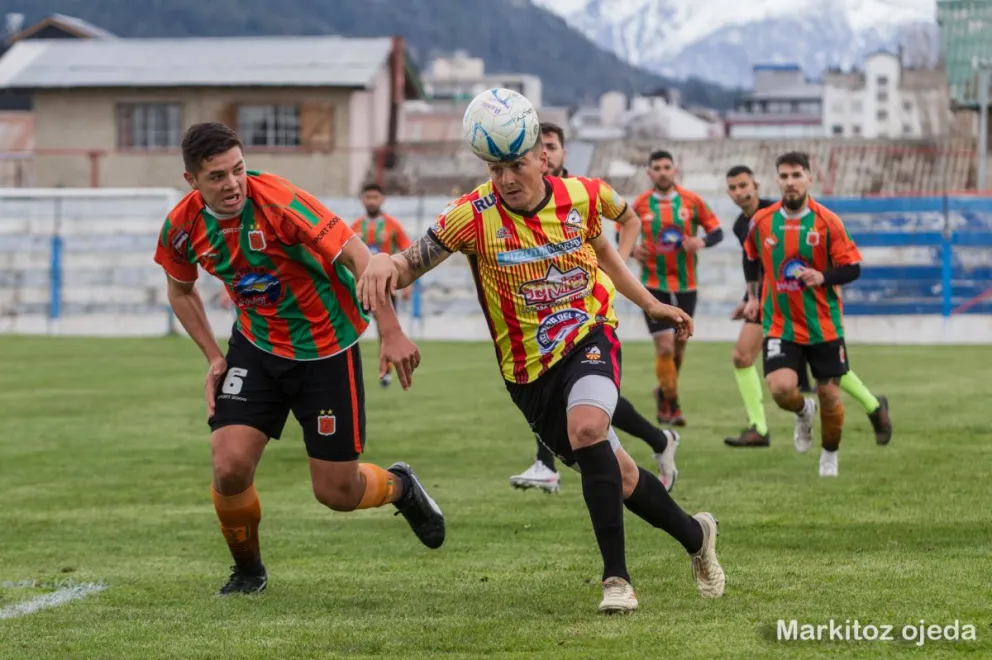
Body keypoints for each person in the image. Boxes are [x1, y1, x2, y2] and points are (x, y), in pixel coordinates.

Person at [357, 127, 725, 614]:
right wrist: (384, 262)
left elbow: (607, 251)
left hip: (589, 333)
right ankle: (695, 535)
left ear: (544, 159)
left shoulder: (584, 196)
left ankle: (616, 579)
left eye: (516, 166)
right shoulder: (471, 215)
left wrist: (651, 303)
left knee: (589, 427)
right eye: (495, 169)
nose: (506, 179)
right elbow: (407, 265)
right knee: (623, 475)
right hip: (527, 372)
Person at [153, 122, 445, 596]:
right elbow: (180, 290)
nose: (232, 184)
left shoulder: (280, 201)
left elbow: (360, 259)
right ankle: (248, 572)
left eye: (238, 170)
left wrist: (391, 332)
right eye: (217, 176)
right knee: (228, 465)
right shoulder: (183, 227)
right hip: (257, 345)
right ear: (192, 181)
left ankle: (401, 486)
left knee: (336, 493)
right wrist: (212, 356)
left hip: (327, 348)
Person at [509, 122, 680, 493]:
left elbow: (629, 218)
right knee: (587, 398)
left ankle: (545, 464)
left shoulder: (585, 192)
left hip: (585, 308)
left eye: (552, 146)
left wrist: (618, 259)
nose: (548, 153)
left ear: (559, 154)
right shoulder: (515, 198)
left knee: (570, 389)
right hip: (542, 308)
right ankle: (659, 440)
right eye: (543, 146)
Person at [725, 165, 891, 448]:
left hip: (807, 305)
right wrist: (750, 298)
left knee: (830, 371)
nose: (740, 193)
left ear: (757, 185)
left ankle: (873, 405)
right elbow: (753, 261)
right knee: (742, 357)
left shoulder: (777, 213)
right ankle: (759, 427)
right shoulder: (744, 224)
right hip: (772, 304)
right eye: (733, 188)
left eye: (744, 186)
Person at [742, 151, 866, 476]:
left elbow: (852, 269)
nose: (790, 182)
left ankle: (829, 454)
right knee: (782, 389)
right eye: (784, 176)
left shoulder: (827, 222)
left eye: (797, 175)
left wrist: (823, 276)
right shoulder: (763, 221)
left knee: (829, 395)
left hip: (824, 325)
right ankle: (801, 411)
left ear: (810, 178)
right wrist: (753, 296)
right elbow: (750, 256)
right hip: (780, 323)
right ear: (777, 181)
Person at [632, 150, 723, 426]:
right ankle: (670, 404)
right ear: (649, 173)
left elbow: (717, 231)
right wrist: (634, 251)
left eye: (666, 167)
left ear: (675, 170)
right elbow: (622, 232)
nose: (662, 172)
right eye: (656, 168)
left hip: (686, 285)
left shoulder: (692, 202)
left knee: (679, 348)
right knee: (664, 346)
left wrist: (701, 242)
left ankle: (664, 389)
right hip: (652, 285)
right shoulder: (640, 204)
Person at [351, 182, 413, 388]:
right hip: (359, 288)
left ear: (382, 199)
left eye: (375, 197)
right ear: (362, 200)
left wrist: (408, 286)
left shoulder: (392, 226)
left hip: (384, 290)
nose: (371, 201)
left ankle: (386, 372)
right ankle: (348, 372)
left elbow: (408, 253)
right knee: (349, 329)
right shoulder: (355, 227)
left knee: (385, 332)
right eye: (368, 197)